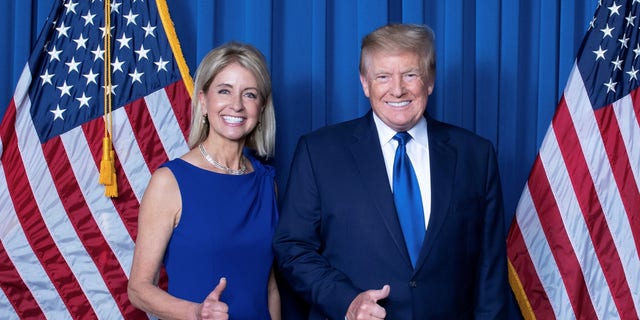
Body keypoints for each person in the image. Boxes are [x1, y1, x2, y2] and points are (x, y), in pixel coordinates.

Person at [273, 23, 509, 319]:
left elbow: (490, 268)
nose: (397, 89)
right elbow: (293, 248)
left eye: (410, 75)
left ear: (430, 81)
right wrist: (346, 301)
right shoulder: (319, 152)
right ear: (365, 83)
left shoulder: (476, 155)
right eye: (383, 76)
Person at [128, 42, 280, 320]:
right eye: (224, 91)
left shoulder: (266, 183)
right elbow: (138, 289)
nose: (236, 104)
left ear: (261, 108)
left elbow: (269, 287)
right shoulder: (170, 181)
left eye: (249, 94)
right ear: (203, 101)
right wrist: (196, 312)